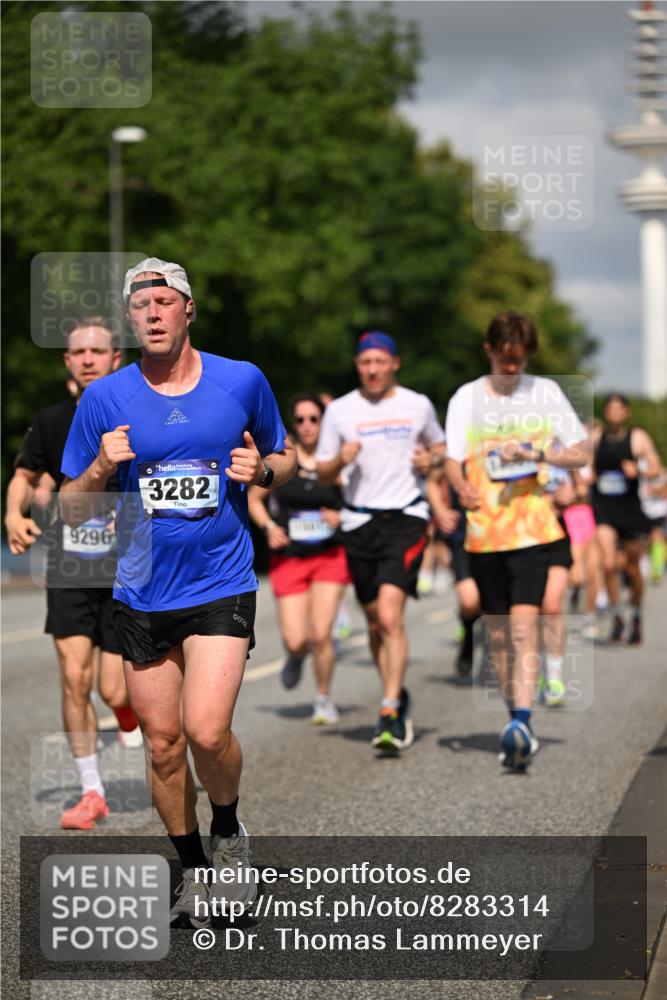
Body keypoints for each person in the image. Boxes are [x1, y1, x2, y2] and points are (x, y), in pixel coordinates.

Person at [59, 258, 295, 929]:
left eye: (165, 300)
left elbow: (283, 454)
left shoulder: (240, 379)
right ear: (131, 319)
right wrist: (103, 465)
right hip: (140, 588)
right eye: (142, 305)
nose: (154, 313)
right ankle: (191, 869)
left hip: (221, 578)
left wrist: (267, 471)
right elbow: (72, 506)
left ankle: (228, 831)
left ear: (188, 309)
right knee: (162, 745)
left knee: (205, 730)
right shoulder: (105, 397)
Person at [4, 317, 141, 831]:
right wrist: (14, 513)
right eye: (77, 352)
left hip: (124, 569)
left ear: (115, 360)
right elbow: (23, 474)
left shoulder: (136, 416)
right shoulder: (52, 419)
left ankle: (128, 717)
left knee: (116, 690)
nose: (86, 359)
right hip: (68, 568)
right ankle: (91, 791)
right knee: (74, 678)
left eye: (96, 351)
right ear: (67, 362)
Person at [444, 312, 589, 771]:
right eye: (506, 360)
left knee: (524, 627)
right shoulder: (466, 397)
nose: (513, 369)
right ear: (489, 350)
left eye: (520, 360)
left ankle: (524, 722)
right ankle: (515, 717)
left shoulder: (544, 392)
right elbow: (451, 459)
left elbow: (581, 450)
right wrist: (461, 486)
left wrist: (538, 453)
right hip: (484, 533)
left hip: (533, 530)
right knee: (500, 635)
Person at [316, 331, 445, 752]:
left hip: (406, 517)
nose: (372, 369)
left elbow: (441, 448)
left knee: (390, 616)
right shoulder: (339, 411)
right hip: (358, 523)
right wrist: (340, 460)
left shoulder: (417, 404)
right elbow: (321, 472)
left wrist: (433, 460)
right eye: (365, 362)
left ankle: (389, 706)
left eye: (379, 361)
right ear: (358, 366)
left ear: (394, 363)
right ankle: (395, 689)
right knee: (374, 622)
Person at [248, 393, 351, 724]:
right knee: (296, 639)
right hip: (290, 558)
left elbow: (361, 500)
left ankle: (323, 698)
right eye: (301, 420)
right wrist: (268, 528)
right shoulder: (283, 458)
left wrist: (341, 516)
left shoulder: (335, 462)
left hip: (329, 556)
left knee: (322, 634)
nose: (307, 426)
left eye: (314, 419)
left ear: (324, 422)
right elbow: (254, 500)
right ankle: (294, 656)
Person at [591, 393, 661, 644]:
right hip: (604, 510)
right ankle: (616, 612)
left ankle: (636, 613)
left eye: (618, 409)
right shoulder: (597, 438)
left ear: (626, 412)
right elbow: (586, 468)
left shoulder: (637, 437)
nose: (613, 413)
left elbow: (656, 467)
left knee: (632, 568)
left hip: (630, 511)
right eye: (609, 409)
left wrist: (639, 470)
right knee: (608, 564)